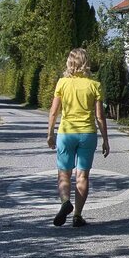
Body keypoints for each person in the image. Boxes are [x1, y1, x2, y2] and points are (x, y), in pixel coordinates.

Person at [46, 48, 111, 227]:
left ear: (69, 63)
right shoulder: (94, 85)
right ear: (85, 62)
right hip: (87, 134)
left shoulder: (62, 83)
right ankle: (77, 216)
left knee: (63, 173)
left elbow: (53, 112)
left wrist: (50, 133)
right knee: (82, 175)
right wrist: (105, 139)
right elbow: (100, 116)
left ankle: (65, 202)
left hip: (66, 133)